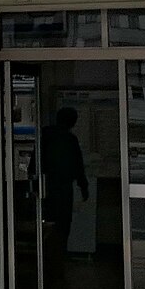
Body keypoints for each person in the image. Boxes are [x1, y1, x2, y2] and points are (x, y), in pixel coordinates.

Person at [41, 106, 90, 273]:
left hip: (45, 186)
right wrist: (84, 188)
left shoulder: (44, 136)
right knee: (62, 227)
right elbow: (78, 166)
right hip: (63, 189)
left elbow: (35, 163)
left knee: (46, 225)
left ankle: (44, 260)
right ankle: (57, 262)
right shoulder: (70, 140)